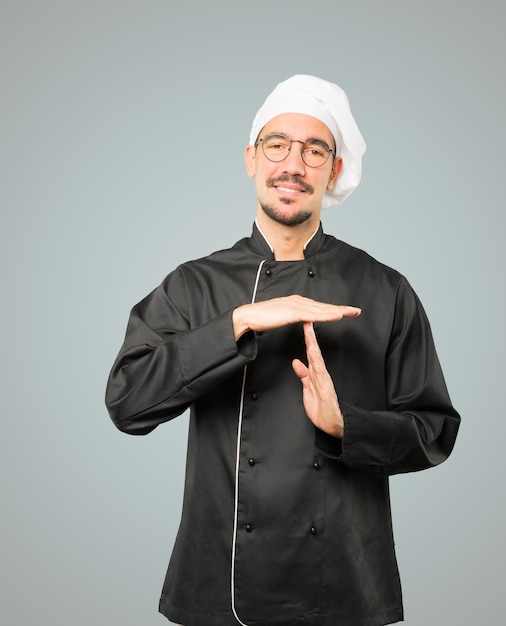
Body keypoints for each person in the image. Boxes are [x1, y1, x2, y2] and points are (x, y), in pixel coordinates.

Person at [105, 74, 460, 626]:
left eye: (314, 149)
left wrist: (347, 426)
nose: (292, 164)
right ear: (251, 158)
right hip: (218, 587)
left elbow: (435, 431)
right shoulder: (193, 286)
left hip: (344, 585)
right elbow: (127, 403)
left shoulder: (384, 289)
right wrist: (239, 322)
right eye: (277, 145)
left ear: (333, 170)